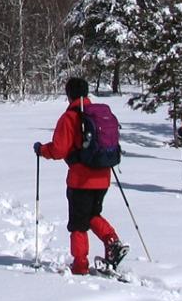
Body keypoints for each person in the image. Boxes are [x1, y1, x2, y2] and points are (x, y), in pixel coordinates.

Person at [34, 76, 128, 275]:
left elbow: (59, 150)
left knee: (78, 222)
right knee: (92, 214)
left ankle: (80, 265)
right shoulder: (100, 113)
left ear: (69, 95)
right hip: (103, 175)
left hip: (81, 179)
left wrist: (42, 150)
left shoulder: (69, 117)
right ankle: (112, 241)